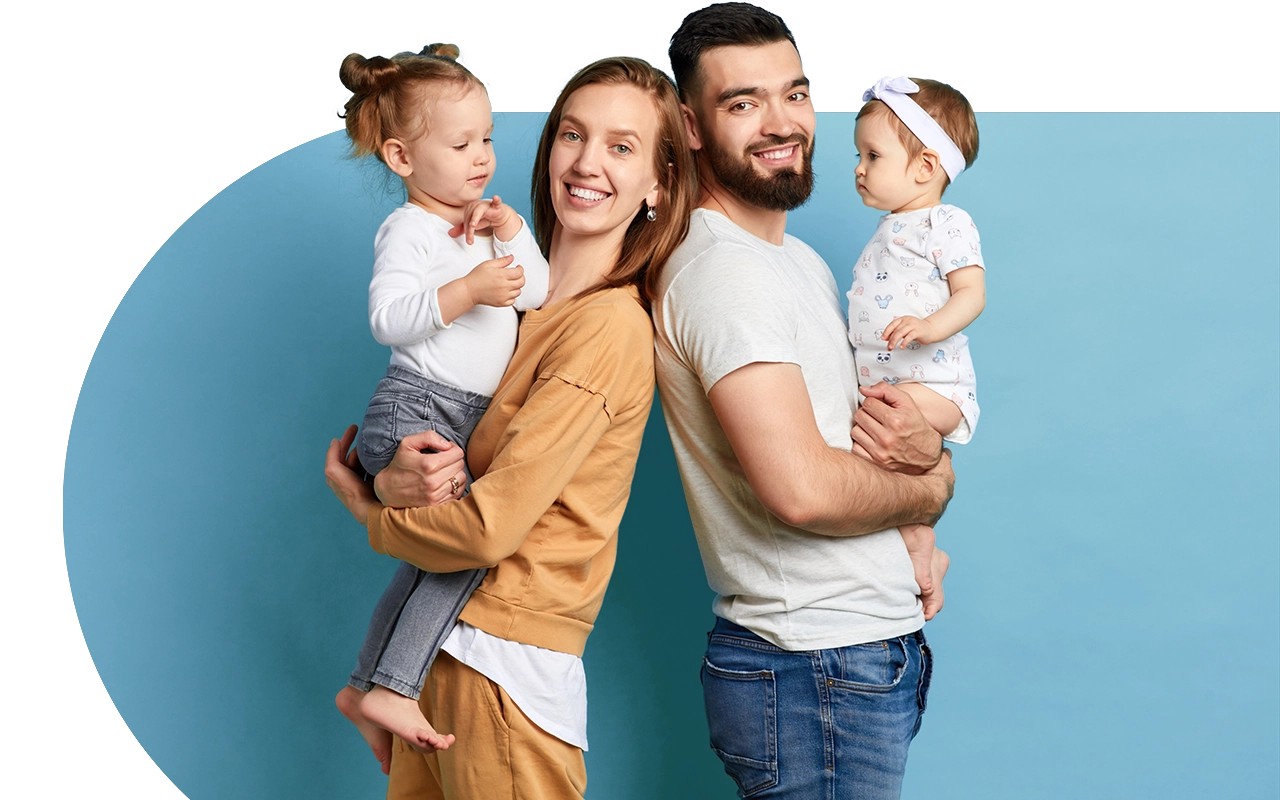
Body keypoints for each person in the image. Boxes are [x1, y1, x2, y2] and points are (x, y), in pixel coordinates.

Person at [325, 54, 695, 799]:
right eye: (571, 134)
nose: (587, 161)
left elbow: (488, 529)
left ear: (659, 183)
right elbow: (442, 446)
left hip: (500, 670)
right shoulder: (517, 314)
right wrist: (392, 476)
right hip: (462, 671)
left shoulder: (606, 328)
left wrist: (371, 512)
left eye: (622, 146)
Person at [652, 3, 954, 797]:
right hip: (813, 666)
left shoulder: (801, 262)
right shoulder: (727, 273)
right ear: (688, 125)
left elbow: (863, 437)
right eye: (742, 102)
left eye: (794, 93)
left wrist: (912, 530)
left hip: (851, 657)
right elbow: (802, 490)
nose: (781, 123)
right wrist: (931, 489)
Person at [331, 42, 551, 770]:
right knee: (463, 554)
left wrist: (512, 232)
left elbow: (541, 293)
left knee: (432, 562)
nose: (481, 156)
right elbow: (388, 319)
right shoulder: (411, 231)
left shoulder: (480, 226)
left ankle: (365, 686)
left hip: (455, 413)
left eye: (487, 138)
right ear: (401, 157)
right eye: (460, 144)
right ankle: (393, 685)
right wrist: (468, 292)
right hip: (414, 408)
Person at [848, 75, 986, 594]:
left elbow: (972, 292)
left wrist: (929, 327)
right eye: (858, 155)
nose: (859, 169)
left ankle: (917, 542)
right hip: (890, 381)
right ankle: (917, 545)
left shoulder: (945, 223)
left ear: (925, 166)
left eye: (873, 156)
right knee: (879, 457)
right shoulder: (887, 230)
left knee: (870, 445)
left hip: (935, 385)